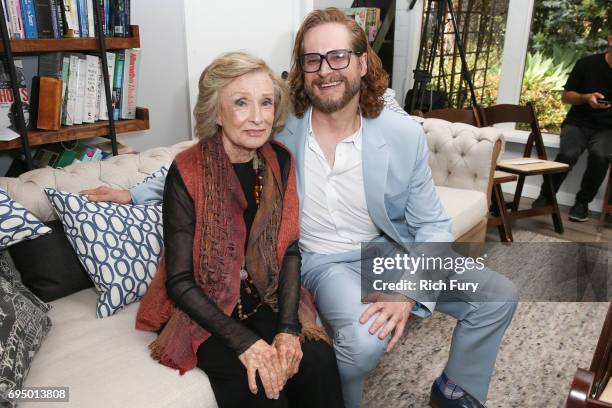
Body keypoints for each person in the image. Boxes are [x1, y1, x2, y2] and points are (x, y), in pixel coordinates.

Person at [83, 9, 517, 408]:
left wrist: (405, 290)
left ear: (364, 63)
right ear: (302, 71)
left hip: (382, 253)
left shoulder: (401, 134)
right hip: (322, 261)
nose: (326, 71)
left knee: (498, 295)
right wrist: (135, 193)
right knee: (365, 343)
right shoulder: (280, 124)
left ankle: (454, 390)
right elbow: (208, 158)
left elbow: (432, 225)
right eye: (313, 60)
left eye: (338, 57)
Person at [131, 51, 344, 408]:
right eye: (241, 103)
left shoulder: (279, 160)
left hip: (263, 293)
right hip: (204, 306)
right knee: (261, 388)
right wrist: (244, 342)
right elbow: (180, 282)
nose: (258, 118)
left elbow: (290, 249)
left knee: (318, 360)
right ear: (217, 111)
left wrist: (289, 329)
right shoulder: (187, 171)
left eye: (266, 103)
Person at [532, 34, 612, 221]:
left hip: (608, 128)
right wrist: (586, 98)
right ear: (610, 40)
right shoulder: (587, 64)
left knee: (600, 156)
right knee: (568, 154)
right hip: (578, 122)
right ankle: (547, 195)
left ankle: (582, 202)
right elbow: (566, 97)